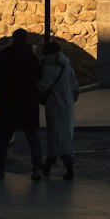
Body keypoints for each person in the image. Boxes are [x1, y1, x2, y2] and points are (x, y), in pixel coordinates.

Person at [0, 27, 43, 179]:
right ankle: (37, 169)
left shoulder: (6, 55)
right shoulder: (31, 56)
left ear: (13, 38)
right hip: (27, 103)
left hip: (8, 103)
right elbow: (39, 76)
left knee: (4, 138)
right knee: (32, 137)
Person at [38, 38, 79, 180]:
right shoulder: (68, 68)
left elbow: (42, 87)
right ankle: (48, 166)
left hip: (55, 107)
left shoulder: (48, 69)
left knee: (56, 138)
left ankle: (61, 167)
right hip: (67, 107)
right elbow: (75, 87)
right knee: (63, 137)